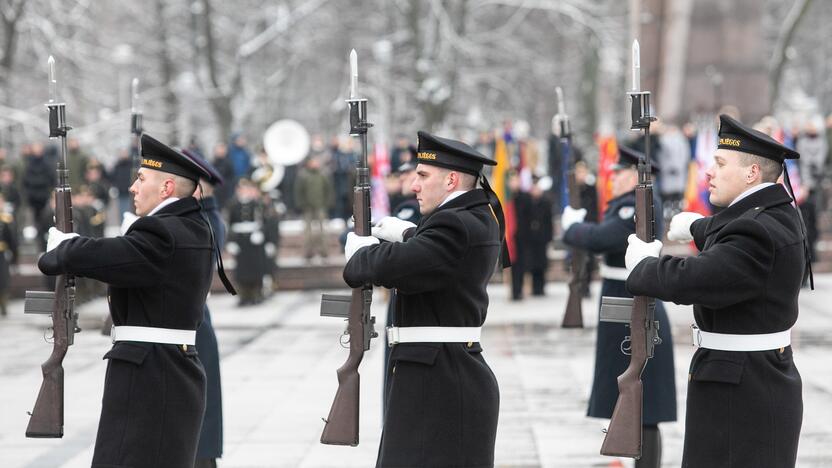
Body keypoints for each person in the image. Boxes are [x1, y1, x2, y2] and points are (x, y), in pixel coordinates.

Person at [625, 114, 808, 467]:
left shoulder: (758, 232)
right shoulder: (776, 212)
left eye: (720, 163)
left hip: (743, 389)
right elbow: (739, 228)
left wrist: (644, 266)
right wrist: (699, 227)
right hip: (748, 378)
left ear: (751, 173)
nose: (709, 172)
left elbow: (697, 278)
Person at [37, 133, 215, 468]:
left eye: (141, 179)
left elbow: (114, 256)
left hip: (152, 377)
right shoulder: (185, 227)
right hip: (160, 372)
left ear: (166, 189)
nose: (133, 187)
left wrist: (66, 248)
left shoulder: (166, 233)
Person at [344, 131, 507, 467]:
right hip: (437, 373)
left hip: (440, 381)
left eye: (422, 176)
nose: (414, 185)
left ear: (451, 180)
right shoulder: (470, 217)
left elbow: (400, 265)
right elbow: (436, 254)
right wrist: (407, 232)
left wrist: (361, 256)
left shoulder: (456, 224)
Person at [561, 146, 676, 468]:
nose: (613, 179)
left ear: (634, 176)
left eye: (619, 173)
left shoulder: (636, 207)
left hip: (634, 304)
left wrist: (573, 228)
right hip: (621, 299)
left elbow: (603, 238)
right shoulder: (625, 205)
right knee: (627, 392)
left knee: (646, 401)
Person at [184, 149, 227, 468]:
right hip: (193, 322)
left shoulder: (206, 222)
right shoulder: (203, 218)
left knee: (200, 411)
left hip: (194, 323)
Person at [512, 175, 554, 298]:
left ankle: (540, 287)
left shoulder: (546, 202)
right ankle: (533, 287)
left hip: (542, 237)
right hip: (530, 237)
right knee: (531, 262)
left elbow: (549, 221)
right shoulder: (528, 200)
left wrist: (549, 237)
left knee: (541, 263)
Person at [294, 154, 333, 261]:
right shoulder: (303, 175)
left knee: (323, 230)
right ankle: (308, 252)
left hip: (320, 206)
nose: (315, 164)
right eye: (313, 162)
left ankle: (324, 251)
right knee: (308, 232)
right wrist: (301, 204)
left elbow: (328, 190)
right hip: (307, 207)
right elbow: (298, 191)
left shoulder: (323, 174)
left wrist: (327, 203)